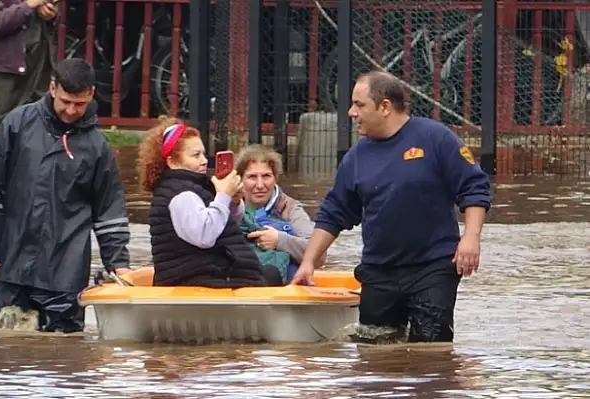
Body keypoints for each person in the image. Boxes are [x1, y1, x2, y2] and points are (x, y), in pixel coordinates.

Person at [291, 71, 492, 343]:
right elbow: (334, 212)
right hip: (379, 270)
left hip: (433, 266)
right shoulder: (356, 157)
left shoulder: (436, 138)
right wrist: (309, 263)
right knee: (376, 353)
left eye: (359, 105)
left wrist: (471, 237)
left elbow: (474, 187)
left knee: (431, 352)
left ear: (385, 106)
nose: (351, 112)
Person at [0, 58, 131, 333]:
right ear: (53, 88)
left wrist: (118, 265)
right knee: (6, 347)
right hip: (12, 261)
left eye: (79, 104)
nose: (70, 110)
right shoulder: (17, 124)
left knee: (65, 351)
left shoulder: (97, 147)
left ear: (91, 94)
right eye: (65, 101)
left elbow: (109, 212)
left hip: (66, 271)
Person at [136, 118, 283, 287]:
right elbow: (205, 236)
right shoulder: (182, 195)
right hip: (199, 278)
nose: (204, 160)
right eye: (195, 155)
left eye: (203, 154)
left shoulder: (191, 188)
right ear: (173, 162)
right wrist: (222, 196)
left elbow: (222, 225)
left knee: (270, 271)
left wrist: (232, 202)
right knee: (272, 274)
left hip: (203, 273)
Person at [234, 144, 318, 284]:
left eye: (266, 176)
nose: (260, 185)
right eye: (252, 177)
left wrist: (280, 240)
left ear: (275, 179)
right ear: (240, 180)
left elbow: (319, 254)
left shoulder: (291, 209)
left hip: (283, 287)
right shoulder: (227, 207)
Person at [0, 0, 59, 131]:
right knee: (2, 129)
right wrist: (29, 5)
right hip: (5, 71)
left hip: (38, 67)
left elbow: (47, 22)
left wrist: (49, 15)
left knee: (39, 127)